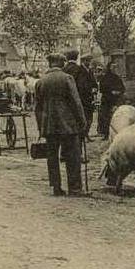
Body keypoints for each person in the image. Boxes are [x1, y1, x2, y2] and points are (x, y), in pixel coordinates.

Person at [35, 53, 87, 196]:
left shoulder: (41, 81)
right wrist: (82, 122)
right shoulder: (67, 79)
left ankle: (56, 187)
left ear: (50, 64)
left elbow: (37, 108)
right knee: (73, 156)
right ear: (60, 63)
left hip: (49, 126)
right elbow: (76, 103)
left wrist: (41, 127)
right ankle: (75, 188)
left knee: (52, 157)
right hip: (67, 125)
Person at [62, 49, 96, 138]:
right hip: (81, 100)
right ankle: (82, 136)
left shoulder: (63, 69)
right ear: (77, 57)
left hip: (66, 101)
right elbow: (82, 87)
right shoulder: (80, 69)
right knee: (84, 118)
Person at [96, 61, 126, 138]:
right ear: (109, 68)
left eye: (115, 67)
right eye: (113, 67)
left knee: (115, 116)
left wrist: (118, 92)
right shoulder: (105, 78)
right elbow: (101, 89)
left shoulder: (117, 78)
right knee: (105, 117)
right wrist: (111, 91)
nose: (114, 69)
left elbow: (123, 88)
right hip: (106, 100)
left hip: (115, 100)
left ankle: (116, 132)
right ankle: (106, 134)